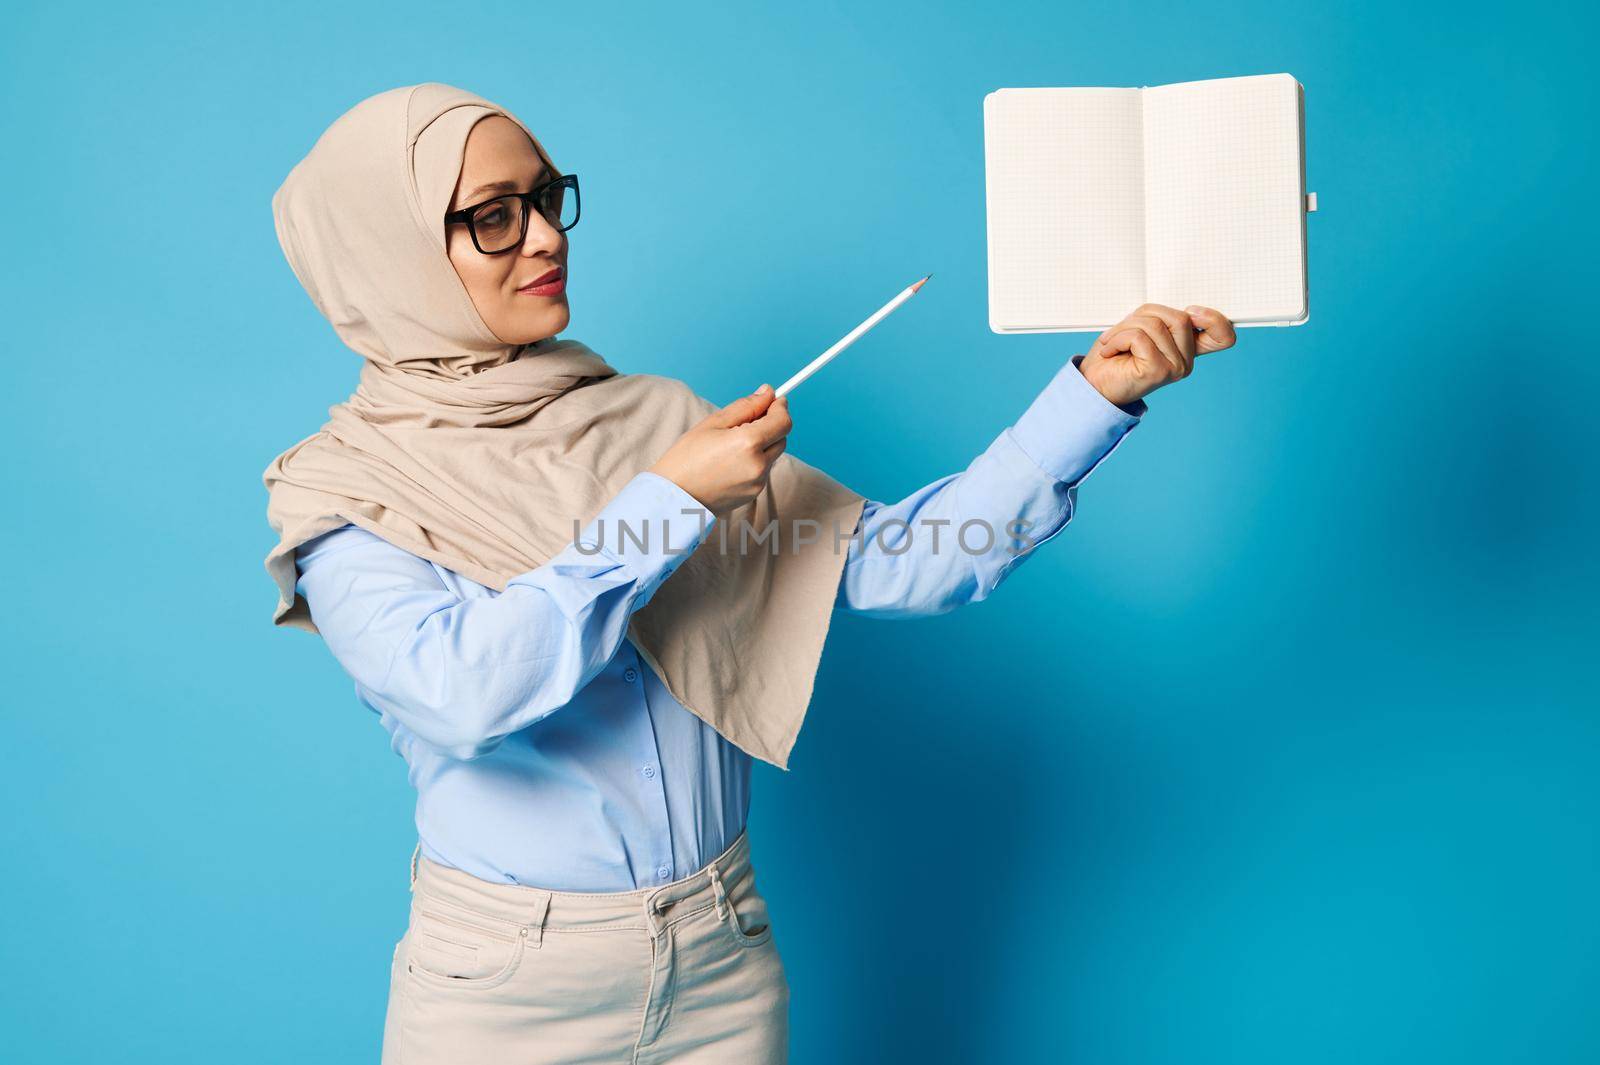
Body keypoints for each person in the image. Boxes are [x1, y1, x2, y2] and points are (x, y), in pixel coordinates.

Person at [262, 82, 1236, 1065]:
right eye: (492, 218)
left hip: (720, 957)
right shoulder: (347, 494)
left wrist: (1095, 396)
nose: (546, 238)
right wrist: (665, 506)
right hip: (503, 990)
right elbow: (462, 693)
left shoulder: (652, 421)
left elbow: (917, 563)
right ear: (390, 251)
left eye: (548, 198)